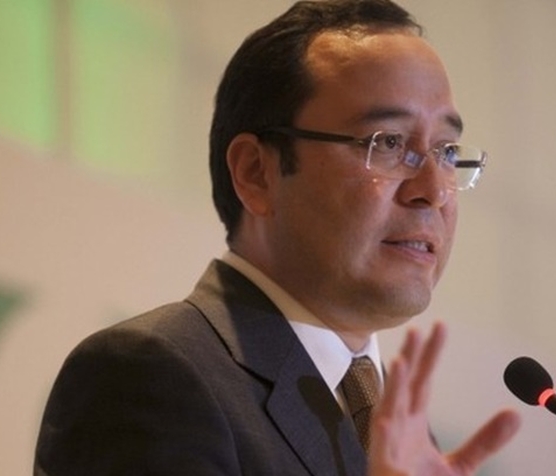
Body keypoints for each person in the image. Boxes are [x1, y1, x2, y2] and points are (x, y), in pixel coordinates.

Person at [34, 1, 520, 475]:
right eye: (389, 142)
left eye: (447, 151)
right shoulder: (148, 377)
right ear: (256, 173)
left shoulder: (399, 433)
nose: (434, 190)